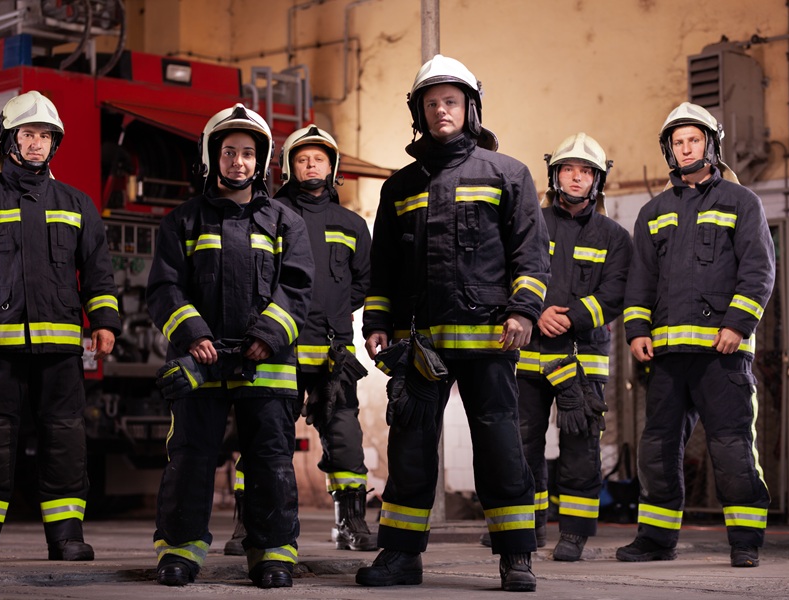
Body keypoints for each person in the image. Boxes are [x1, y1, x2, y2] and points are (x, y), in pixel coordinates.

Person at [358, 54, 550, 593]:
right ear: (419, 113)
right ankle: (399, 557)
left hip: (490, 337)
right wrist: (378, 321)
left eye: (451, 101)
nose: (442, 110)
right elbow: (385, 270)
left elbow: (531, 256)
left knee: (500, 447)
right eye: (432, 103)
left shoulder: (507, 174)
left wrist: (523, 310)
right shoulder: (399, 187)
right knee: (410, 449)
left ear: (470, 108)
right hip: (420, 344)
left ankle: (516, 557)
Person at [0, 91, 121, 563]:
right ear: (8, 139)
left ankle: (66, 537)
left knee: (65, 440)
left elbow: (98, 270)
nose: (36, 144)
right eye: (27, 134)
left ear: (54, 144)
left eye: (45, 136)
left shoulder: (76, 202)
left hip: (59, 350)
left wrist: (105, 322)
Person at [146, 104, 314, 589]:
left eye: (247, 153)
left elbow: (298, 287)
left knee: (270, 462)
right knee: (191, 458)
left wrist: (268, 336)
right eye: (229, 152)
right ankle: (178, 552)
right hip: (202, 362)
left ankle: (273, 554)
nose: (238, 162)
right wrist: (193, 334)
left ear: (260, 161)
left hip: (269, 365)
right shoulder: (183, 221)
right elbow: (164, 287)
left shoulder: (285, 221)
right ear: (211, 157)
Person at [618, 101, 774, 567]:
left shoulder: (742, 202)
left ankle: (745, 540)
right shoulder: (654, 211)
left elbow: (759, 271)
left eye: (694, 139)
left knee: (730, 445)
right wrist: (636, 329)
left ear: (711, 144)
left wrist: (737, 325)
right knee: (657, 446)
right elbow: (640, 279)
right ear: (670, 149)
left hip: (721, 353)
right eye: (678, 141)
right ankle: (657, 539)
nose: (686, 148)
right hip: (666, 354)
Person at [223, 124, 375, 556]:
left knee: (345, 437)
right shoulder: (266, 213)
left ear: (333, 167)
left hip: (332, 355)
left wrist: (332, 309)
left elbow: (362, 283)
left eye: (320, 159)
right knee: (260, 438)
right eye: (303, 158)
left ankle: (351, 523)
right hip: (276, 349)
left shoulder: (350, 224)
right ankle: (247, 525)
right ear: (288, 166)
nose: (311, 165)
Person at [513, 133, 631, 561]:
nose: (576, 177)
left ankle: (575, 533)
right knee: (523, 441)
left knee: (580, 445)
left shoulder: (614, 237)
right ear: (554, 174)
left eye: (585, 171)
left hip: (582, 360)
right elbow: (511, 273)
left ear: (598, 180)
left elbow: (616, 293)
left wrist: (571, 316)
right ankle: (528, 526)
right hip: (528, 355)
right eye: (568, 169)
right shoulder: (529, 223)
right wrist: (537, 310)